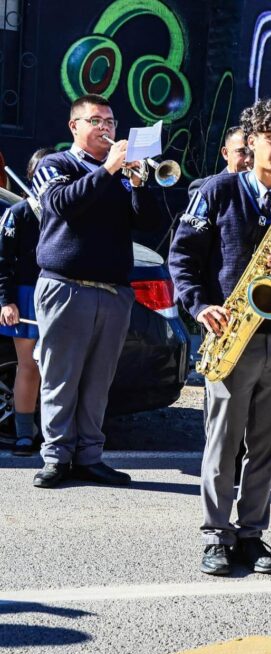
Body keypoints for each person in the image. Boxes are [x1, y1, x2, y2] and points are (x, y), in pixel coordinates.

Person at [170, 98, 271, 576]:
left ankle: (252, 533)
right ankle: (216, 534)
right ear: (252, 142)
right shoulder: (217, 190)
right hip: (230, 333)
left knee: (267, 442)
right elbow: (182, 257)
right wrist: (200, 306)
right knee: (224, 440)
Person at [30, 94, 164, 489]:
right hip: (66, 288)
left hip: (114, 291)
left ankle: (89, 456)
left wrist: (139, 183)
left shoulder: (122, 176)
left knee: (98, 380)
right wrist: (109, 168)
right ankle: (55, 457)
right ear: (75, 126)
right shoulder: (57, 165)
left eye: (110, 121)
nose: (106, 128)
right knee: (60, 376)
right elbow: (61, 206)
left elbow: (151, 222)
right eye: (96, 121)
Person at [0, 148, 51, 456]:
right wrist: (7, 301)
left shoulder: (66, 212)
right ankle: (23, 434)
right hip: (25, 295)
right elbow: (3, 262)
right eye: (43, 173)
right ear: (32, 175)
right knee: (28, 366)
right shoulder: (17, 214)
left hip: (60, 294)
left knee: (57, 369)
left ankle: (53, 435)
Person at [187, 126, 252, 198]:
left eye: (253, 153)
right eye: (242, 152)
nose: (248, 159)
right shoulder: (205, 189)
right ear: (225, 153)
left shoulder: (263, 189)